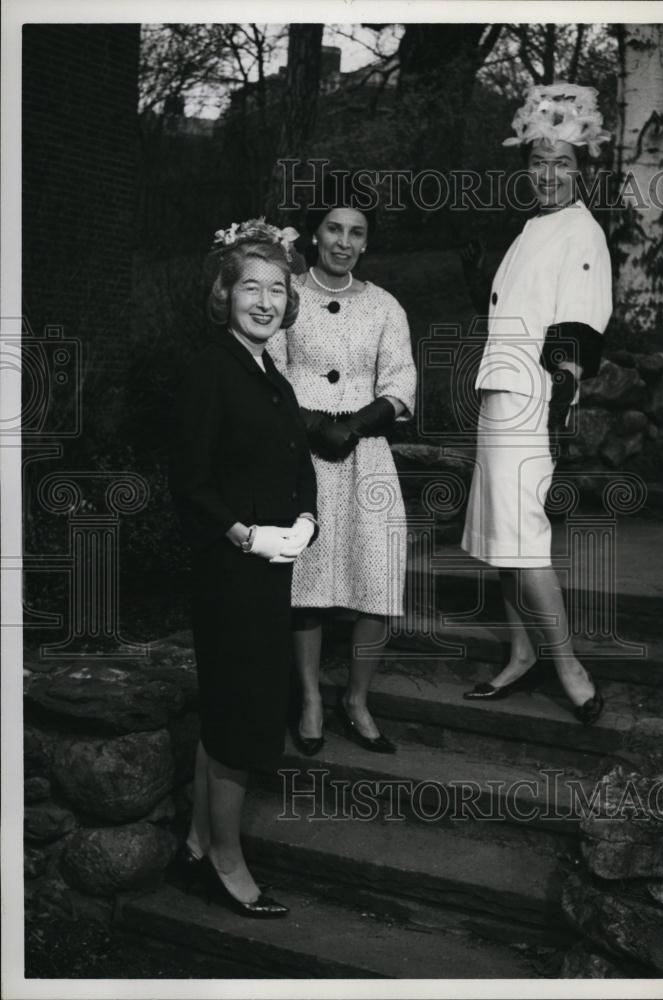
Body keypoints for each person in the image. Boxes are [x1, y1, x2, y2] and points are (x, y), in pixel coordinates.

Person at [169, 217, 318, 917]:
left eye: (277, 289)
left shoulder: (271, 376)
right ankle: (229, 864)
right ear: (224, 294)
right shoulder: (210, 369)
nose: (264, 300)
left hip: (270, 572)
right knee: (240, 717)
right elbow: (190, 482)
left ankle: (197, 847)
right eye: (249, 287)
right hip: (230, 575)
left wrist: (306, 524)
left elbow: (299, 464)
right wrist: (244, 537)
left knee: (230, 711)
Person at [460, 83, 612, 725]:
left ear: (581, 170)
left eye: (563, 163)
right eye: (539, 161)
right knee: (500, 535)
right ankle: (521, 654)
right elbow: (520, 312)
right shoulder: (531, 228)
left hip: (532, 403)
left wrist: (561, 401)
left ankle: (568, 665)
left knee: (525, 540)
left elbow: (578, 325)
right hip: (501, 395)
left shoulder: (582, 232)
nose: (548, 175)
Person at [267, 191, 416, 755]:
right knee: (305, 581)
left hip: (366, 456)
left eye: (357, 233)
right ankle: (309, 700)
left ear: (366, 241)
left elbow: (401, 382)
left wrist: (351, 425)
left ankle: (356, 699)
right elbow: (269, 371)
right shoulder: (288, 296)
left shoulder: (384, 305)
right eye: (334, 229)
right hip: (299, 454)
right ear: (314, 234)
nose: (344, 243)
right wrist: (310, 424)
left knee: (378, 578)